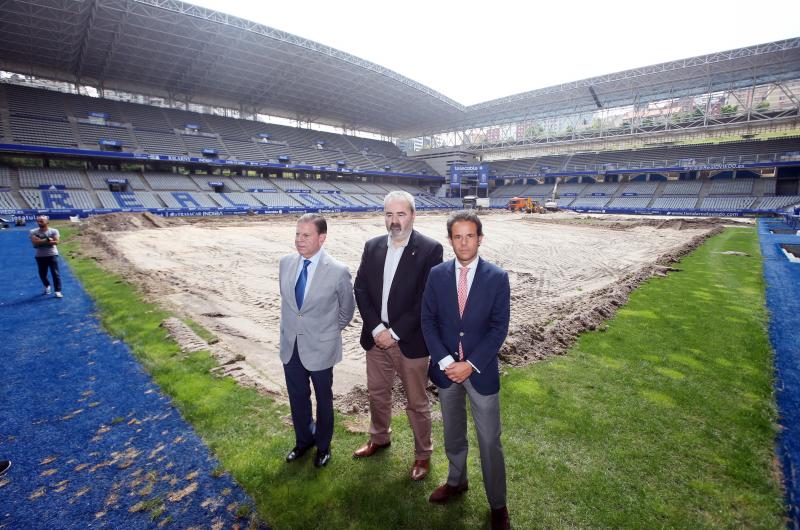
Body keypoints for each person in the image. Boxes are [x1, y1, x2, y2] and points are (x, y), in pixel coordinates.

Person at [421, 210, 511, 530]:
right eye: (457, 236)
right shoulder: (437, 275)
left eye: (469, 235)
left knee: (489, 441)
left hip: (480, 372)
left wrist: (469, 365)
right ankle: (457, 481)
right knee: (453, 433)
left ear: (480, 238)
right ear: (450, 240)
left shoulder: (497, 277)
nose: (463, 242)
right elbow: (428, 321)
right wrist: (446, 362)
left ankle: (498, 504)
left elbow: (499, 328)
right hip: (446, 373)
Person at [352, 190, 443, 481]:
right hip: (376, 338)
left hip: (410, 341)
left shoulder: (430, 250)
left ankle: (422, 455)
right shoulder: (372, 246)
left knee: (416, 402)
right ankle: (379, 437)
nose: (394, 221)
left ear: (413, 215)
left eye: (400, 214)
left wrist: (396, 332)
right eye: (389, 214)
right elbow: (361, 289)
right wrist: (378, 328)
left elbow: (427, 300)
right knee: (377, 393)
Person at [279, 213, 355, 468]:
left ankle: (323, 447)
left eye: (306, 235)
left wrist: (328, 333)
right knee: (297, 398)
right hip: (291, 347)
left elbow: (347, 310)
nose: (299, 240)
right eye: (297, 234)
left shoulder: (337, 271)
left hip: (322, 348)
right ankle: (303, 441)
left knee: (323, 400)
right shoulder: (285, 263)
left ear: (321, 238)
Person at [30, 215, 62, 298]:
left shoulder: (54, 231)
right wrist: (48, 239)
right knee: (42, 274)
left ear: (47, 222)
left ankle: (58, 291)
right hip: (40, 256)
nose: (39, 222)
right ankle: (47, 286)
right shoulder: (33, 231)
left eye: (41, 221)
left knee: (55, 273)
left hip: (52, 254)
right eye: (38, 221)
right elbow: (35, 243)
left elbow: (56, 242)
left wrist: (40, 241)